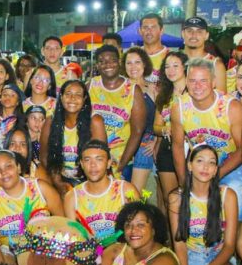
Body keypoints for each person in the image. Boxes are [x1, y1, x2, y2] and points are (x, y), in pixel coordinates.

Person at [169, 144, 238, 265]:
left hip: (217, 256)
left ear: (216, 170)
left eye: (211, 163)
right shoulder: (177, 197)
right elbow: (180, 245)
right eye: (200, 161)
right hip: (190, 258)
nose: (205, 167)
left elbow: (230, 245)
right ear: (189, 165)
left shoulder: (227, 195)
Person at [171, 57, 242, 219]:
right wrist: (183, 181)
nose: (197, 86)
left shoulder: (232, 107)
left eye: (203, 81)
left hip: (230, 167)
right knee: (196, 218)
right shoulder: (179, 108)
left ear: (214, 82)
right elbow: (177, 146)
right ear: (186, 81)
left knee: (232, 217)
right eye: (192, 81)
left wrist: (217, 173)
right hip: (199, 167)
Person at [0, 149, 63, 265]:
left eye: (8, 167)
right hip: (8, 251)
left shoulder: (40, 188)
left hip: (42, 249)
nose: (3, 173)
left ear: (18, 167)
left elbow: (63, 224)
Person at [64, 139, 140, 246]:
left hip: (124, 253)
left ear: (109, 163)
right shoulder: (72, 197)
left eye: (99, 159)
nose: (93, 165)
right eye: (87, 160)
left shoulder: (125, 190)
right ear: (81, 164)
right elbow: (73, 239)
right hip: (90, 256)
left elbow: (140, 230)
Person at [41, 80, 107, 195]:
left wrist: (87, 187)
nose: (72, 98)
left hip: (90, 178)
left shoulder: (95, 122)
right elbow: (44, 157)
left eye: (78, 95)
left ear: (85, 99)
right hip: (60, 178)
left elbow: (101, 159)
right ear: (61, 97)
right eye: (68, 94)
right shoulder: (50, 122)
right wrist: (58, 182)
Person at [88, 45, 145, 177]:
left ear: (119, 62)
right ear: (97, 65)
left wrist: (122, 164)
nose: (107, 64)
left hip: (121, 159)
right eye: (102, 61)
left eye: (112, 60)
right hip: (94, 159)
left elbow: (137, 131)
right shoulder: (90, 86)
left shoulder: (133, 90)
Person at [153, 51, 187, 214]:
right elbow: (156, 127)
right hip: (166, 150)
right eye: (167, 66)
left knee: (189, 197)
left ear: (185, 68)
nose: (171, 70)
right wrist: (164, 129)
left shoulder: (195, 91)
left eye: (175, 66)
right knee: (170, 199)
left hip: (190, 149)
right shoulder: (164, 95)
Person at [122, 47, 157, 193]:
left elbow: (164, 118)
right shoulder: (119, 88)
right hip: (122, 143)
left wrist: (156, 140)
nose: (133, 67)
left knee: (134, 194)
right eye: (129, 63)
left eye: (137, 62)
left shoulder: (153, 89)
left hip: (144, 144)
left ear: (144, 65)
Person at [0, 127, 50, 191]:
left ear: (28, 149)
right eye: (12, 144)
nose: (17, 148)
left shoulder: (35, 169)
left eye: (23, 144)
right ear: (6, 147)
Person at [180, 17, 226, 92]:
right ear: (183, 34)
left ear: (206, 35)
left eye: (199, 31)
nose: (193, 35)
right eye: (189, 31)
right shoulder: (174, 61)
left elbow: (221, 99)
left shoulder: (216, 65)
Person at [0, 84, 25, 156]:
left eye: (12, 95)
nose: (7, 97)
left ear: (17, 102)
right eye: (4, 95)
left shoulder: (22, 121)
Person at [139, 14, 168, 85]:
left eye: (153, 27)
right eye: (145, 27)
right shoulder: (133, 56)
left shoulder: (169, 56)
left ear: (161, 30)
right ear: (140, 31)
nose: (149, 31)